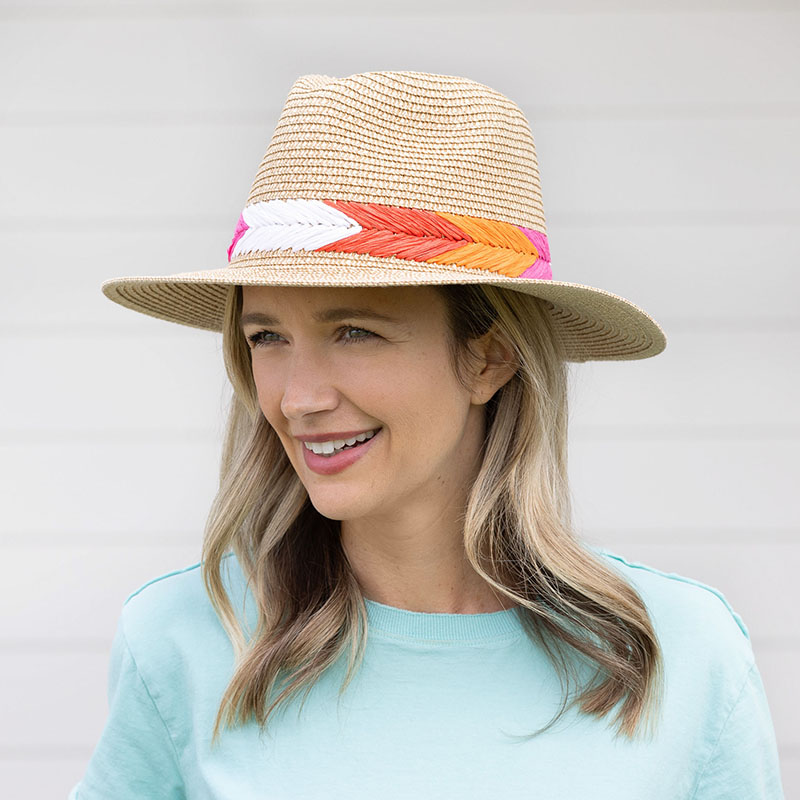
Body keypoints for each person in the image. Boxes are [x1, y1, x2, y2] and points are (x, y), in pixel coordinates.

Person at [68, 71, 784, 799]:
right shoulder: (182, 642)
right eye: (267, 336)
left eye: (355, 331)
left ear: (490, 356)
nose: (297, 398)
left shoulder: (682, 655)